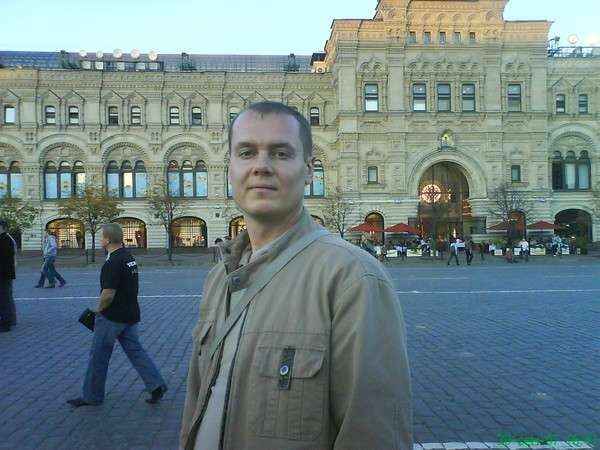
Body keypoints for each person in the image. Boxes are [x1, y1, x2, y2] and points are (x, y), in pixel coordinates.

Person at [179, 102, 412, 450]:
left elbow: (373, 434)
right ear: (229, 168)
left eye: (280, 153)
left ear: (309, 171)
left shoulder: (352, 278)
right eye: (246, 152)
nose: (261, 166)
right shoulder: (219, 277)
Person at [67, 223, 167, 407]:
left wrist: (98, 310)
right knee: (136, 352)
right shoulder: (129, 258)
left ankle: (92, 396)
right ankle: (156, 384)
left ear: (107, 239)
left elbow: (108, 294)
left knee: (98, 356)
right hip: (130, 313)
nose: (100, 240)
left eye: (101, 236)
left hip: (112, 316)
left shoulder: (112, 262)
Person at [0, 220, 17, 332]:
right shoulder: (5, 238)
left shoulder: (5, 239)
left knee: (4, 298)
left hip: (4, 273)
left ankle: (6, 323)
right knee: (6, 297)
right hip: (6, 273)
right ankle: (9, 320)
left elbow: (4, 259)